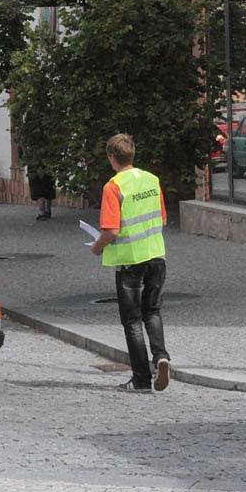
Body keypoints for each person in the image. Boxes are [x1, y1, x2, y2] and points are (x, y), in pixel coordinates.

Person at [90, 133, 170, 393]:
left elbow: (111, 231)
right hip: (157, 256)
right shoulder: (152, 179)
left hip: (130, 263)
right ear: (132, 154)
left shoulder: (113, 187)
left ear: (112, 158)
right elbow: (163, 219)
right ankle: (161, 357)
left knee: (133, 321)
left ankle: (141, 380)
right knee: (153, 311)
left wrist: (96, 247)